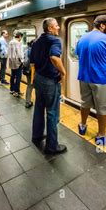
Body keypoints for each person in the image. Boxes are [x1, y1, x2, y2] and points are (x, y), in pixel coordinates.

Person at [75, 14, 106, 146]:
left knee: (85, 102)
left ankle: (83, 126)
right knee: (103, 108)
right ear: (102, 25)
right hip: (102, 79)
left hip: (84, 77)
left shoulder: (82, 38)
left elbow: (79, 55)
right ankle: (101, 136)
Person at [30, 18, 67, 155]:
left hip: (39, 78)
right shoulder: (55, 41)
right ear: (50, 28)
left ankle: (37, 135)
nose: (58, 28)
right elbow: (54, 57)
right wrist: (63, 72)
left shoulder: (36, 41)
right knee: (52, 112)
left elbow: (32, 62)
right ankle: (52, 146)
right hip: (50, 81)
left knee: (39, 108)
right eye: (56, 26)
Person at [8, 31, 24, 97]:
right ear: (20, 36)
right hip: (17, 62)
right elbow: (19, 53)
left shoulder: (10, 42)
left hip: (11, 61)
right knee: (18, 77)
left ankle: (11, 90)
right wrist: (22, 61)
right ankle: (16, 91)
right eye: (21, 37)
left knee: (12, 76)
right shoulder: (18, 43)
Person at [23, 40, 35, 108]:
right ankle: (28, 102)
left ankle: (28, 101)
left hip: (27, 70)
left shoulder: (27, 49)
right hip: (31, 70)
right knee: (30, 86)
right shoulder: (32, 51)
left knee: (29, 85)